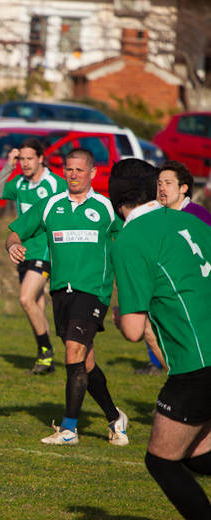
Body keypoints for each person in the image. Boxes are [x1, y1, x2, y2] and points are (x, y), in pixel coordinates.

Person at [5, 148, 129, 446]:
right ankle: (115, 417)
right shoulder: (50, 205)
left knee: (72, 353)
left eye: (79, 170)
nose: (73, 175)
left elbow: (129, 247)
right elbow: (15, 231)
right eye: (68, 170)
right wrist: (11, 245)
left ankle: (69, 429)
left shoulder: (106, 208)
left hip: (94, 292)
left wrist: (127, 295)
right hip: (61, 292)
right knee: (84, 363)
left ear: (93, 173)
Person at [109, 158, 211, 520]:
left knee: (162, 462)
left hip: (197, 362)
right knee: (198, 456)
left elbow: (135, 331)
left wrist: (120, 314)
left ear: (114, 198)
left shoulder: (130, 238)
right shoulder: (192, 220)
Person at [0, 138, 67, 374]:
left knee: (25, 299)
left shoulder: (55, 184)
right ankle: (46, 359)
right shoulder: (20, 183)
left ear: (41, 158)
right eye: (21, 158)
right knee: (36, 306)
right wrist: (8, 166)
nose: (24, 163)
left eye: (29, 158)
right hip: (23, 249)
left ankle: (46, 351)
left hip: (45, 248)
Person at [134, 160, 211, 376]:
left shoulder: (197, 215)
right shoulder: (158, 216)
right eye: (159, 183)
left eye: (168, 183)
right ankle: (169, 378)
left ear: (183, 188)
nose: (161, 188)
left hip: (195, 293)